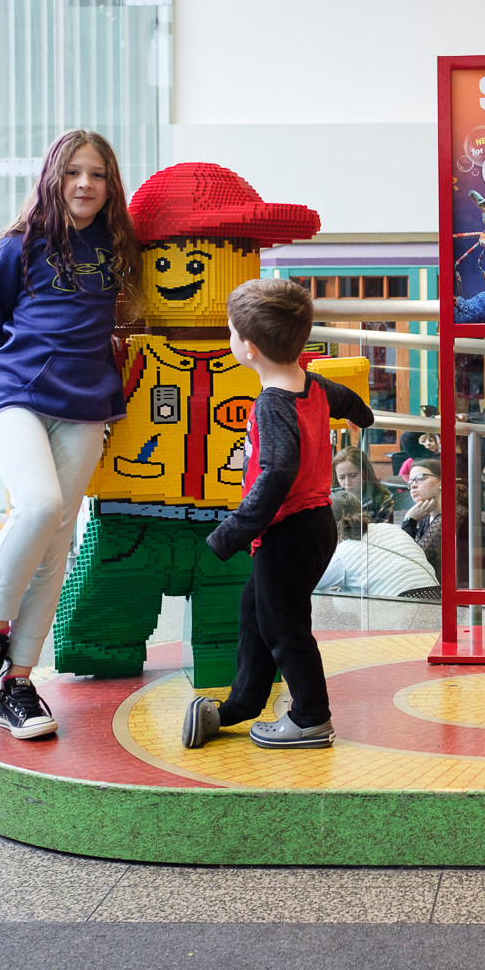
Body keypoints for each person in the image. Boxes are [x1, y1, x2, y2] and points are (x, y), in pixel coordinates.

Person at [0, 129, 143, 739]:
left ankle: (17, 682)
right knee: (39, 506)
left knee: (59, 538)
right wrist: (23, 370)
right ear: (52, 179)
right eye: (74, 173)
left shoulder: (118, 249)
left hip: (88, 405)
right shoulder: (20, 246)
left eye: (98, 175)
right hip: (17, 396)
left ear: (110, 186)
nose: (85, 184)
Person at [181, 278, 374, 751]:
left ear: (246, 348)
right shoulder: (311, 384)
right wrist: (363, 417)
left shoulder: (272, 403)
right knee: (258, 610)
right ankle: (242, 704)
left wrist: (231, 532)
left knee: (284, 626)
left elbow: (278, 469)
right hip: (314, 525)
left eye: (229, 333)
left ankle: (310, 717)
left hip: (288, 530)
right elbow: (347, 401)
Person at [400, 458, 467, 578]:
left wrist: (409, 520)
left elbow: (412, 561)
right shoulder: (427, 514)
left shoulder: (451, 516)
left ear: (442, 481)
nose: (413, 486)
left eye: (420, 478)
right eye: (410, 482)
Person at [332, 445, 393, 523]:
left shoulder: (383, 500)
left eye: (353, 476)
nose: (347, 483)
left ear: (365, 473)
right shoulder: (332, 499)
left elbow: (382, 533)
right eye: (341, 477)